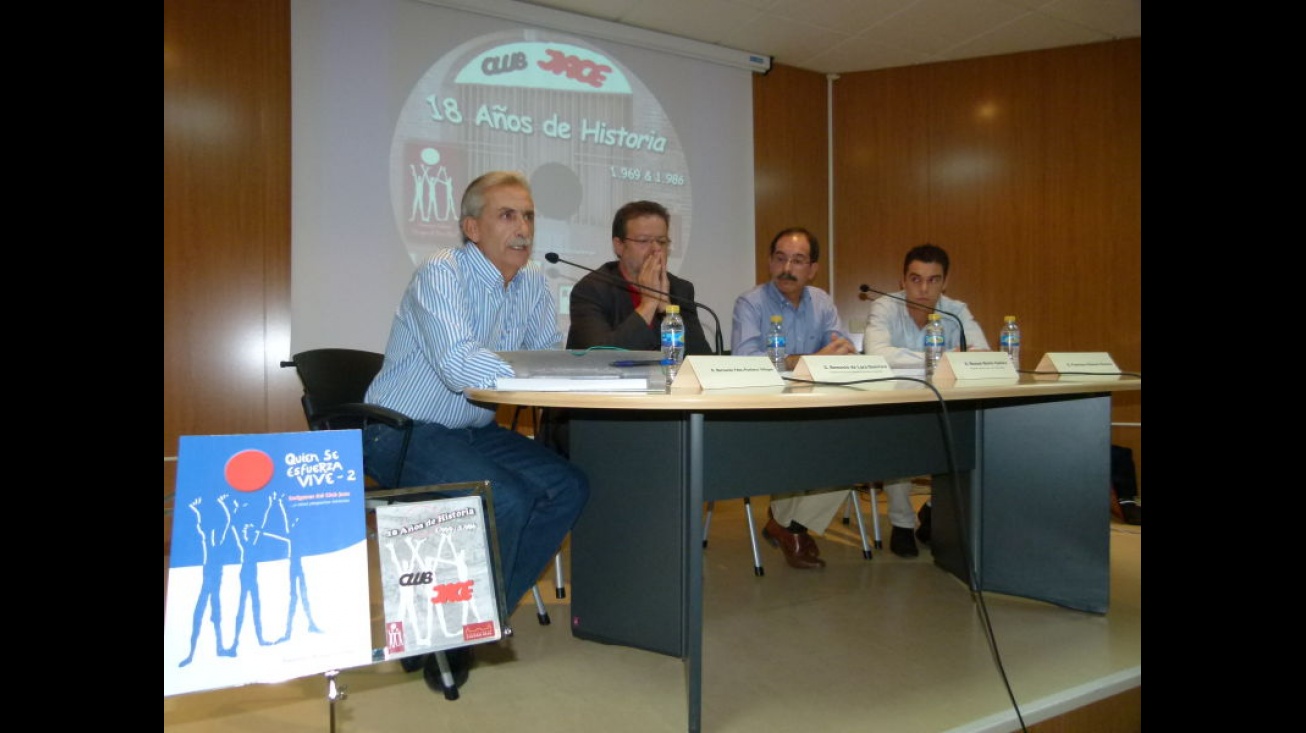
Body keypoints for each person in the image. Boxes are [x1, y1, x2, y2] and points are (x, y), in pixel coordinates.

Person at [363, 170, 591, 695]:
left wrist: (571, 372)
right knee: (504, 498)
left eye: (529, 216)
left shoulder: (533, 282)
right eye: (507, 215)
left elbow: (544, 359)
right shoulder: (441, 273)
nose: (523, 228)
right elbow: (459, 365)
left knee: (569, 486)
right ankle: (454, 627)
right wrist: (536, 372)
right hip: (399, 429)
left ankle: (466, 622)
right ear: (472, 227)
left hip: (468, 429)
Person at [731, 227, 858, 569]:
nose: (787, 267)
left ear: (812, 268)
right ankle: (792, 529)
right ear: (770, 262)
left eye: (798, 260)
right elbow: (743, 361)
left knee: (857, 444)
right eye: (780, 258)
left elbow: (843, 349)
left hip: (817, 406)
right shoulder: (751, 303)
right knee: (804, 442)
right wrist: (804, 360)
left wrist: (829, 356)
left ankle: (789, 526)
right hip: (768, 410)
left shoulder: (822, 301)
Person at [863, 243, 990, 557]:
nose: (923, 288)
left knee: (967, 439)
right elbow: (877, 355)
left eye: (933, 280)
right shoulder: (884, 307)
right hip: (895, 407)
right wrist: (943, 357)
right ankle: (902, 524)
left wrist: (944, 360)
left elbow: (981, 353)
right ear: (902, 280)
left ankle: (934, 511)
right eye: (915, 279)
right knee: (900, 440)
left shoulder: (956, 310)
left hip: (943, 406)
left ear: (945, 282)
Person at [565, 200, 713, 356]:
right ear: (619, 246)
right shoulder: (591, 290)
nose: (656, 249)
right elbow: (600, 357)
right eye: (643, 241)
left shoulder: (680, 289)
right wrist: (649, 303)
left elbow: (700, 361)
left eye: (662, 242)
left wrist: (666, 309)